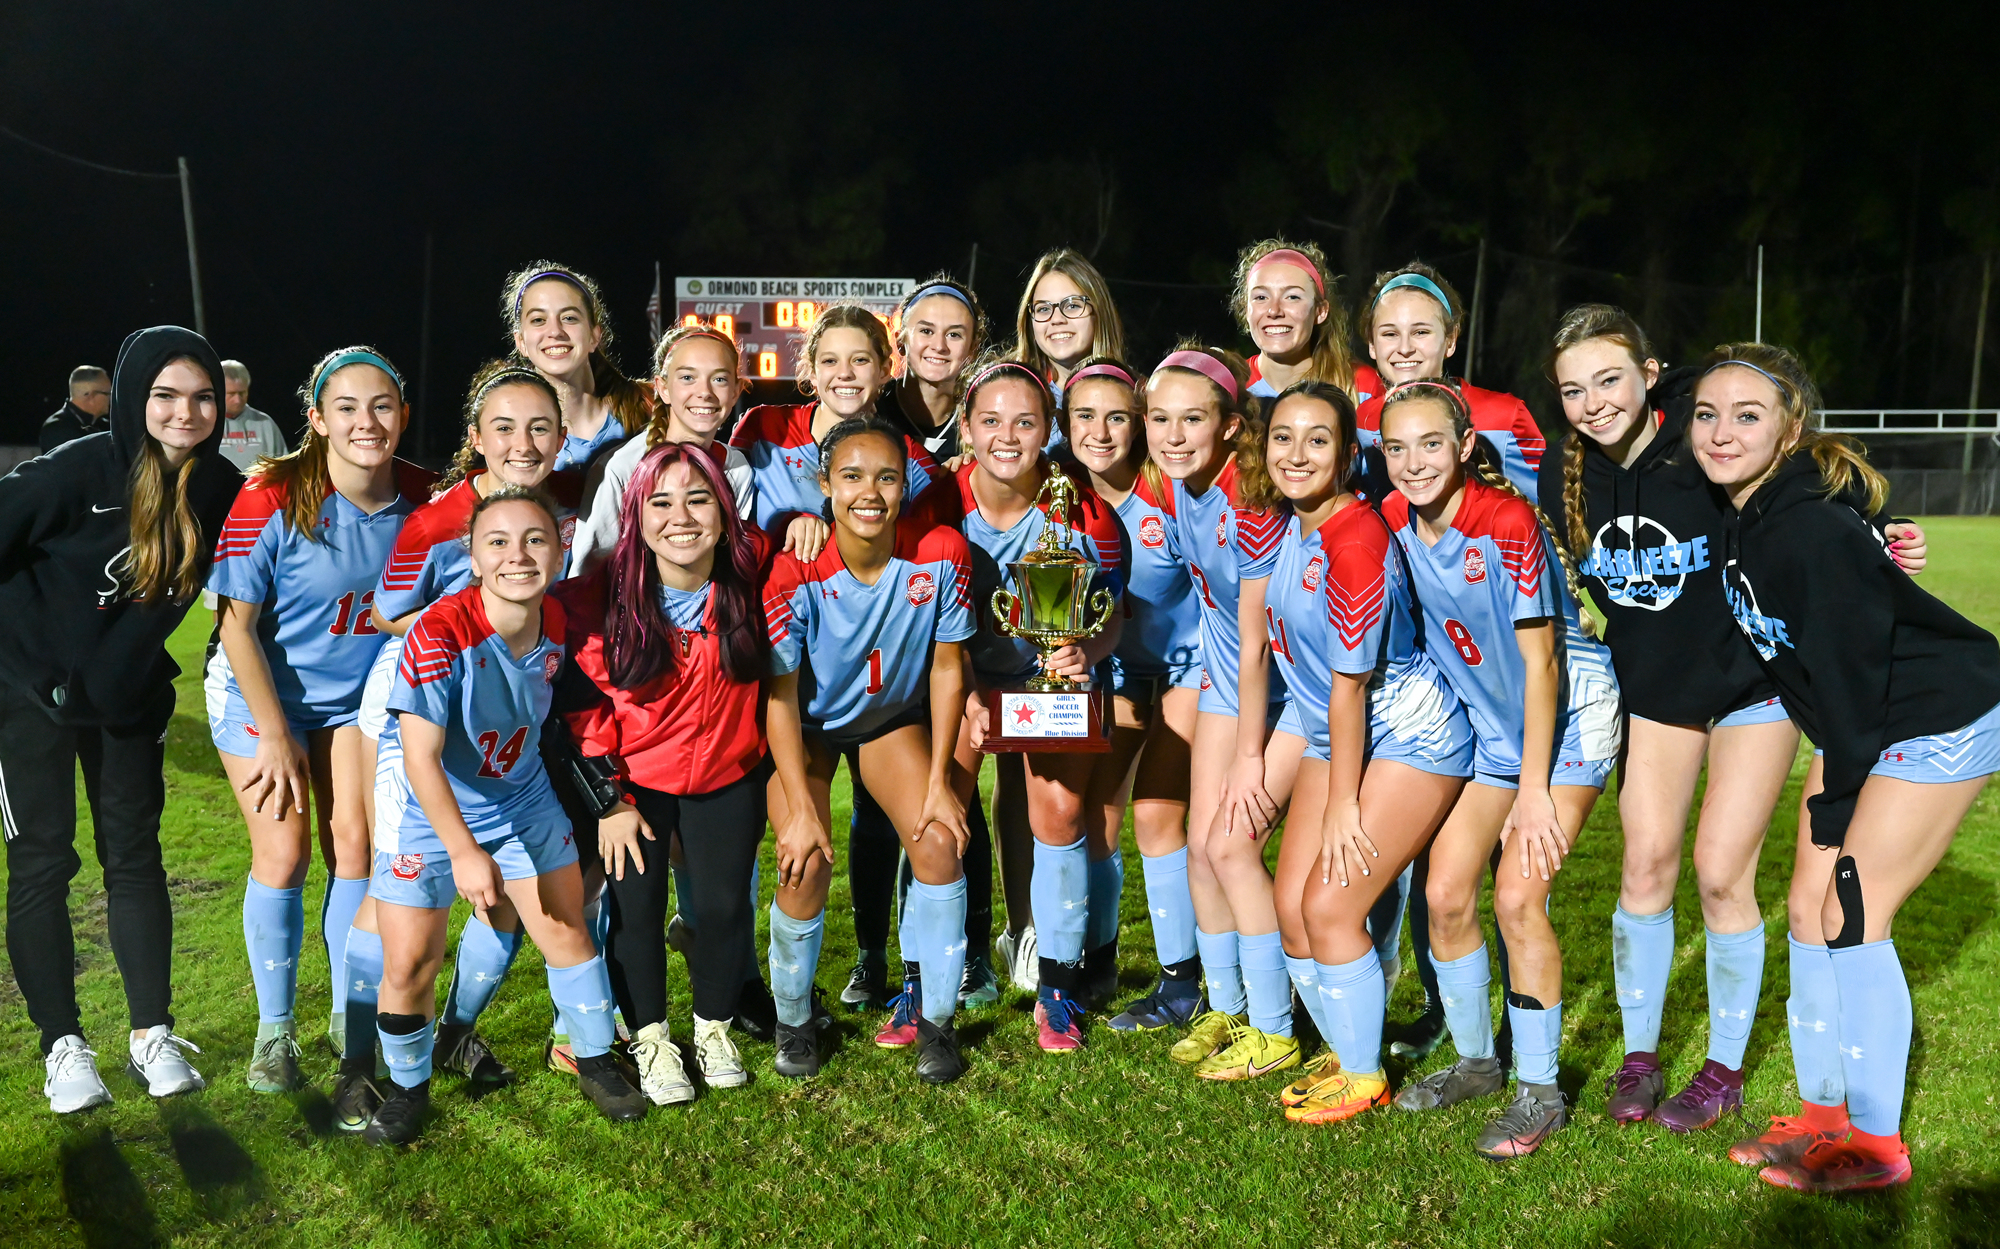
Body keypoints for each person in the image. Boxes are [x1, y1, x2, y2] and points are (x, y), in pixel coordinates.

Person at [1539, 306, 1928, 1133]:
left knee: (1720, 870)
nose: (1593, 401)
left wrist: (1883, 531)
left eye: (1611, 379)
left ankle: (1722, 1067)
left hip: (1751, 688)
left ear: (1651, 378)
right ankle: (1640, 1057)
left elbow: (1803, 484)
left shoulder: (1699, 442)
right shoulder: (1566, 472)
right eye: (1573, 388)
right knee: (1643, 864)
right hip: (1658, 695)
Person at [1690, 343, 1999, 1193]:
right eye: (1707, 413)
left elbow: (1855, 676)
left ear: (1790, 429)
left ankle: (1875, 1143)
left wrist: (1840, 801)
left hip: (1936, 717)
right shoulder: (1750, 513)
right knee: (1806, 907)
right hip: (1861, 721)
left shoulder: (1810, 527)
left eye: (1746, 415)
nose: (1720, 432)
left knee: (1853, 909)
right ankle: (1822, 1115)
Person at [1377, 378, 1620, 1159]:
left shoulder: (1506, 519)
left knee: (1517, 894)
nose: (1413, 462)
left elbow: (1543, 660)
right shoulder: (1393, 520)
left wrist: (1538, 790)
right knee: (1446, 892)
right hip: (1493, 726)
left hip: (1568, 717)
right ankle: (1479, 1061)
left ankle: (1541, 1091)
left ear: (1465, 447)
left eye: (1430, 443)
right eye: (1396, 446)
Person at [357, 485, 645, 1143]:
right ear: (474, 556)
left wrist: (609, 795)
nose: (518, 556)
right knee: (410, 963)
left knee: (567, 927)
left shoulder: (560, 620)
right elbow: (422, 757)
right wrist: (463, 851)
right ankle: (406, 1089)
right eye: (498, 542)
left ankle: (597, 1060)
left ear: (559, 547)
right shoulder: (439, 630)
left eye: (535, 539)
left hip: (522, 795)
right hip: (430, 811)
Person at [2, 327, 241, 1112]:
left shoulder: (219, 485)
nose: (185, 411)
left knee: (133, 858)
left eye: (202, 395)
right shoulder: (75, 471)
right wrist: (27, 665)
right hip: (27, 695)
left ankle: (151, 1034)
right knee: (43, 862)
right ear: (135, 396)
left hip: (128, 693)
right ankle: (62, 1046)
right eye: (166, 394)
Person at [329, 363, 570, 1110]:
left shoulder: (567, 503)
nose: (522, 443)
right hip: (424, 702)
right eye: (503, 427)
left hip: (514, 709)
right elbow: (386, 613)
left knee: (507, 893)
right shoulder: (437, 519)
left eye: (539, 427)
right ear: (475, 439)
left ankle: (454, 1030)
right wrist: (471, 621)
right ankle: (356, 1059)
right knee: (393, 890)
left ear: (562, 438)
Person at [1251, 381, 1473, 1123]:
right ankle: (1350, 1048)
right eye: (1283, 436)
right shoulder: (1293, 526)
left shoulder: (1356, 540)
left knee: (1330, 902)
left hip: (1410, 734)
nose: (1296, 453)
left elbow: (1351, 689)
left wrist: (1343, 803)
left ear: (1350, 455)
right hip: (1339, 733)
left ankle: (1363, 1072)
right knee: (1291, 906)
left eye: (1319, 440)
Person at [206, 346, 418, 1094]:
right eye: (349, 407)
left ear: (403, 415)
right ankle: (274, 1031)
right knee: (287, 851)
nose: (368, 421)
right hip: (260, 694)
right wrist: (275, 734)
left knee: (356, 846)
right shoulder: (272, 491)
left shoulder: (425, 497)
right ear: (317, 419)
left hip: (355, 707)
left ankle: (348, 1012)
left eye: (383, 405)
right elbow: (236, 626)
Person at [1357, 261, 1545, 1063]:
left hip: (1498, 657)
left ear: (1452, 338)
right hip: (1415, 667)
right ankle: (1441, 1006)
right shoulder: (1359, 415)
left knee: (1502, 866)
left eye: (1421, 331)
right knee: (1424, 855)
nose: (1405, 347)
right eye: (1388, 333)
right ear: (1369, 342)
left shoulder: (1501, 415)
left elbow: (1533, 526)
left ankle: (1515, 1018)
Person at [762, 416, 978, 1082]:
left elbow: (948, 668)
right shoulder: (792, 570)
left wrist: (941, 779)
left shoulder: (942, 551)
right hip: (810, 729)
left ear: (906, 483)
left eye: (887, 476)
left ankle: (937, 1022)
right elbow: (779, 697)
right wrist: (800, 805)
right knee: (804, 861)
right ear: (824, 482)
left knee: (938, 841)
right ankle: (793, 1018)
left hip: (887, 721)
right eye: (852, 476)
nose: (870, 492)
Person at [557, 442, 774, 1101]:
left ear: (726, 510)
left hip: (728, 771)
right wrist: (609, 802)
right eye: (661, 501)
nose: (681, 516)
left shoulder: (757, 570)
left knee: (720, 906)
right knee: (638, 907)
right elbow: (578, 711)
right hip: (635, 783)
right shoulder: (597, 597)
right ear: (635, 515)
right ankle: (650, 1037)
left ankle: (712, 1027)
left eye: (699, 498)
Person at [939, 357, 1124, 1050]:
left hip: (1048, 678)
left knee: (1061, 811)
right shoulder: (938, 498)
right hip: (957, 674)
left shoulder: (1082, 508)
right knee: (941, 809)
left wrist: (1087, 654)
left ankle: (1058, 986)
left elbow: (1110, 612)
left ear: (1049, 428)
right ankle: (942, 976)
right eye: (991, 420)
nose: (1008, 435)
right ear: (967, 426)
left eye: (1025, 420)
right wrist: (960, 695)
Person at [1140, 344, 1297, 1076]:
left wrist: (1250, 751)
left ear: (1232, 426)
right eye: (1159, 417)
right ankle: (1228, 1009)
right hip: (1227, 681)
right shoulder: (1177, 485)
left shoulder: (1252, 498)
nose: (1173, 435)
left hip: (1285, 686)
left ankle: (1275, 1028)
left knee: (1232, 845)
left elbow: (1263, 634)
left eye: (1192, 419)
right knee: (1201, 849)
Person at [845, 276, 1000, 1010]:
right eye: (926, 331)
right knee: (876, 810)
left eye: (956, 333)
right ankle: (873, 955)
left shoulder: (991, 417)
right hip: (880, 643)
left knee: (964, 795)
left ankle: (972, 952)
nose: (939, 346)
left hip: (962, 638)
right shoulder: (871, 418)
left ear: (975, 345)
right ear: (900, 341)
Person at [1058, 358, 1205, 1028]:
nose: (1101, 430)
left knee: (1157, 816)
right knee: (1097, 820)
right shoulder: (1058, 500)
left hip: (1187, 668)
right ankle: (1100, 959)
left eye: (1117, 415)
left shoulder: (1168, 491)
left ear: (1141, 423)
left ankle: (1183, 981)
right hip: (1112, 672)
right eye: (1084, 415)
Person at [728, 303, 938, 543]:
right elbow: (716, 502)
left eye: (860, 360)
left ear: (884, 370)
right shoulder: (763, 426)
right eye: (830, 361)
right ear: (812, 373)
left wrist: (963, 469)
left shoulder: (910, 457)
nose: (845, 373)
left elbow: (938, 543)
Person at [571, 324, 758, 574]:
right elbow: (589, 569)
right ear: (663, 388)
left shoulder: (736, 467)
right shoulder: (621, 466)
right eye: (688, 378)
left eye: (720, 379)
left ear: (735, 392)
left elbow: (731, 560)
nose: (704, 392)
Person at [502, 261, 653, 474]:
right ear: (521, 342)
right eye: (538, 320)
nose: (555, 331)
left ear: (594, 336)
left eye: (569, 318)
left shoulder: (650, 407)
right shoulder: (511, 437)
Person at [1230, 239, 1357, 400]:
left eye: (1292, 297)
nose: (1274, 310)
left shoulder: (1360, 386)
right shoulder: (1229, 387)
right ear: (1246, 309)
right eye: (1261, 297)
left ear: (1320, 311)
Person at [1009, 248, 1128, 408]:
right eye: (1043, 308)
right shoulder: (1006, 392)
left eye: (1072, 305)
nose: (1057, 319)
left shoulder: (1138, 396)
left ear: (1099, 311)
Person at [217, 360, 291, 471]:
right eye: (231, 394)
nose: (237, 400)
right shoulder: (206, 422)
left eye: (242, 393)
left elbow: (283, 466)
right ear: (218, 390)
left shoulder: (265, 423)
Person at [39, 365, 111, 453]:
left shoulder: (105, 426)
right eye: (107, 393)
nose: (110, 398)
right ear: (90, 396)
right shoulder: (57, 429)